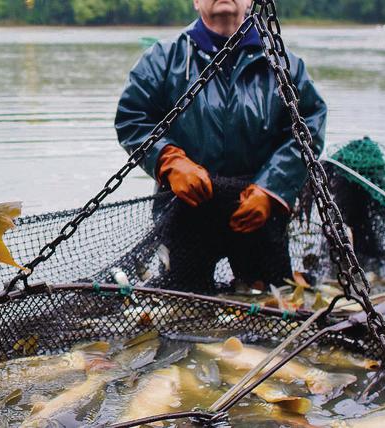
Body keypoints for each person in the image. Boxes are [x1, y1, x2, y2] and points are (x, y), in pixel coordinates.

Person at [115, 0, 327, 292]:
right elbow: (132, 119)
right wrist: (169, 160)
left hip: (258, 213)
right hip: (185, 210)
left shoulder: (284, 64)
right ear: (195, 1)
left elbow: (308, 127)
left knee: (268, 299)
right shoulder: (162, 59)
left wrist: (272, 188)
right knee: (181, 300)